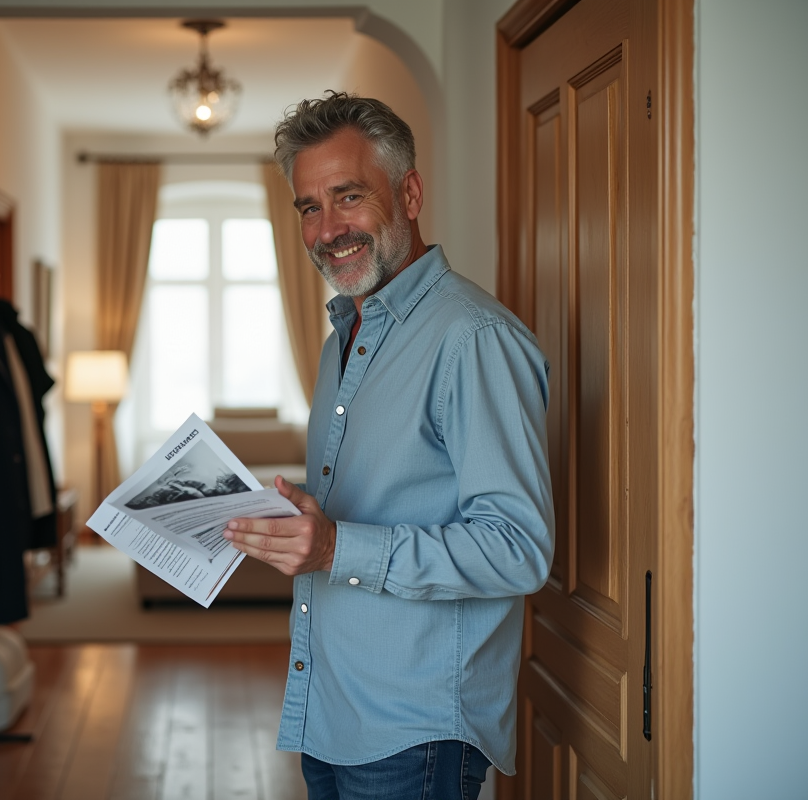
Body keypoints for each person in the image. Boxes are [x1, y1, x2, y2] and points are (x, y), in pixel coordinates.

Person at [223, 92, 555, 800]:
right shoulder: (341, 340)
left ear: (409, 194)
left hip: (415, 733)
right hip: (332, 709)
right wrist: (297, 527)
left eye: (349, 197)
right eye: (309, 207)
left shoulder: (473, 339)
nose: (327, 229)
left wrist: (336, 548)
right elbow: (357, 510)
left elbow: (518, 548)